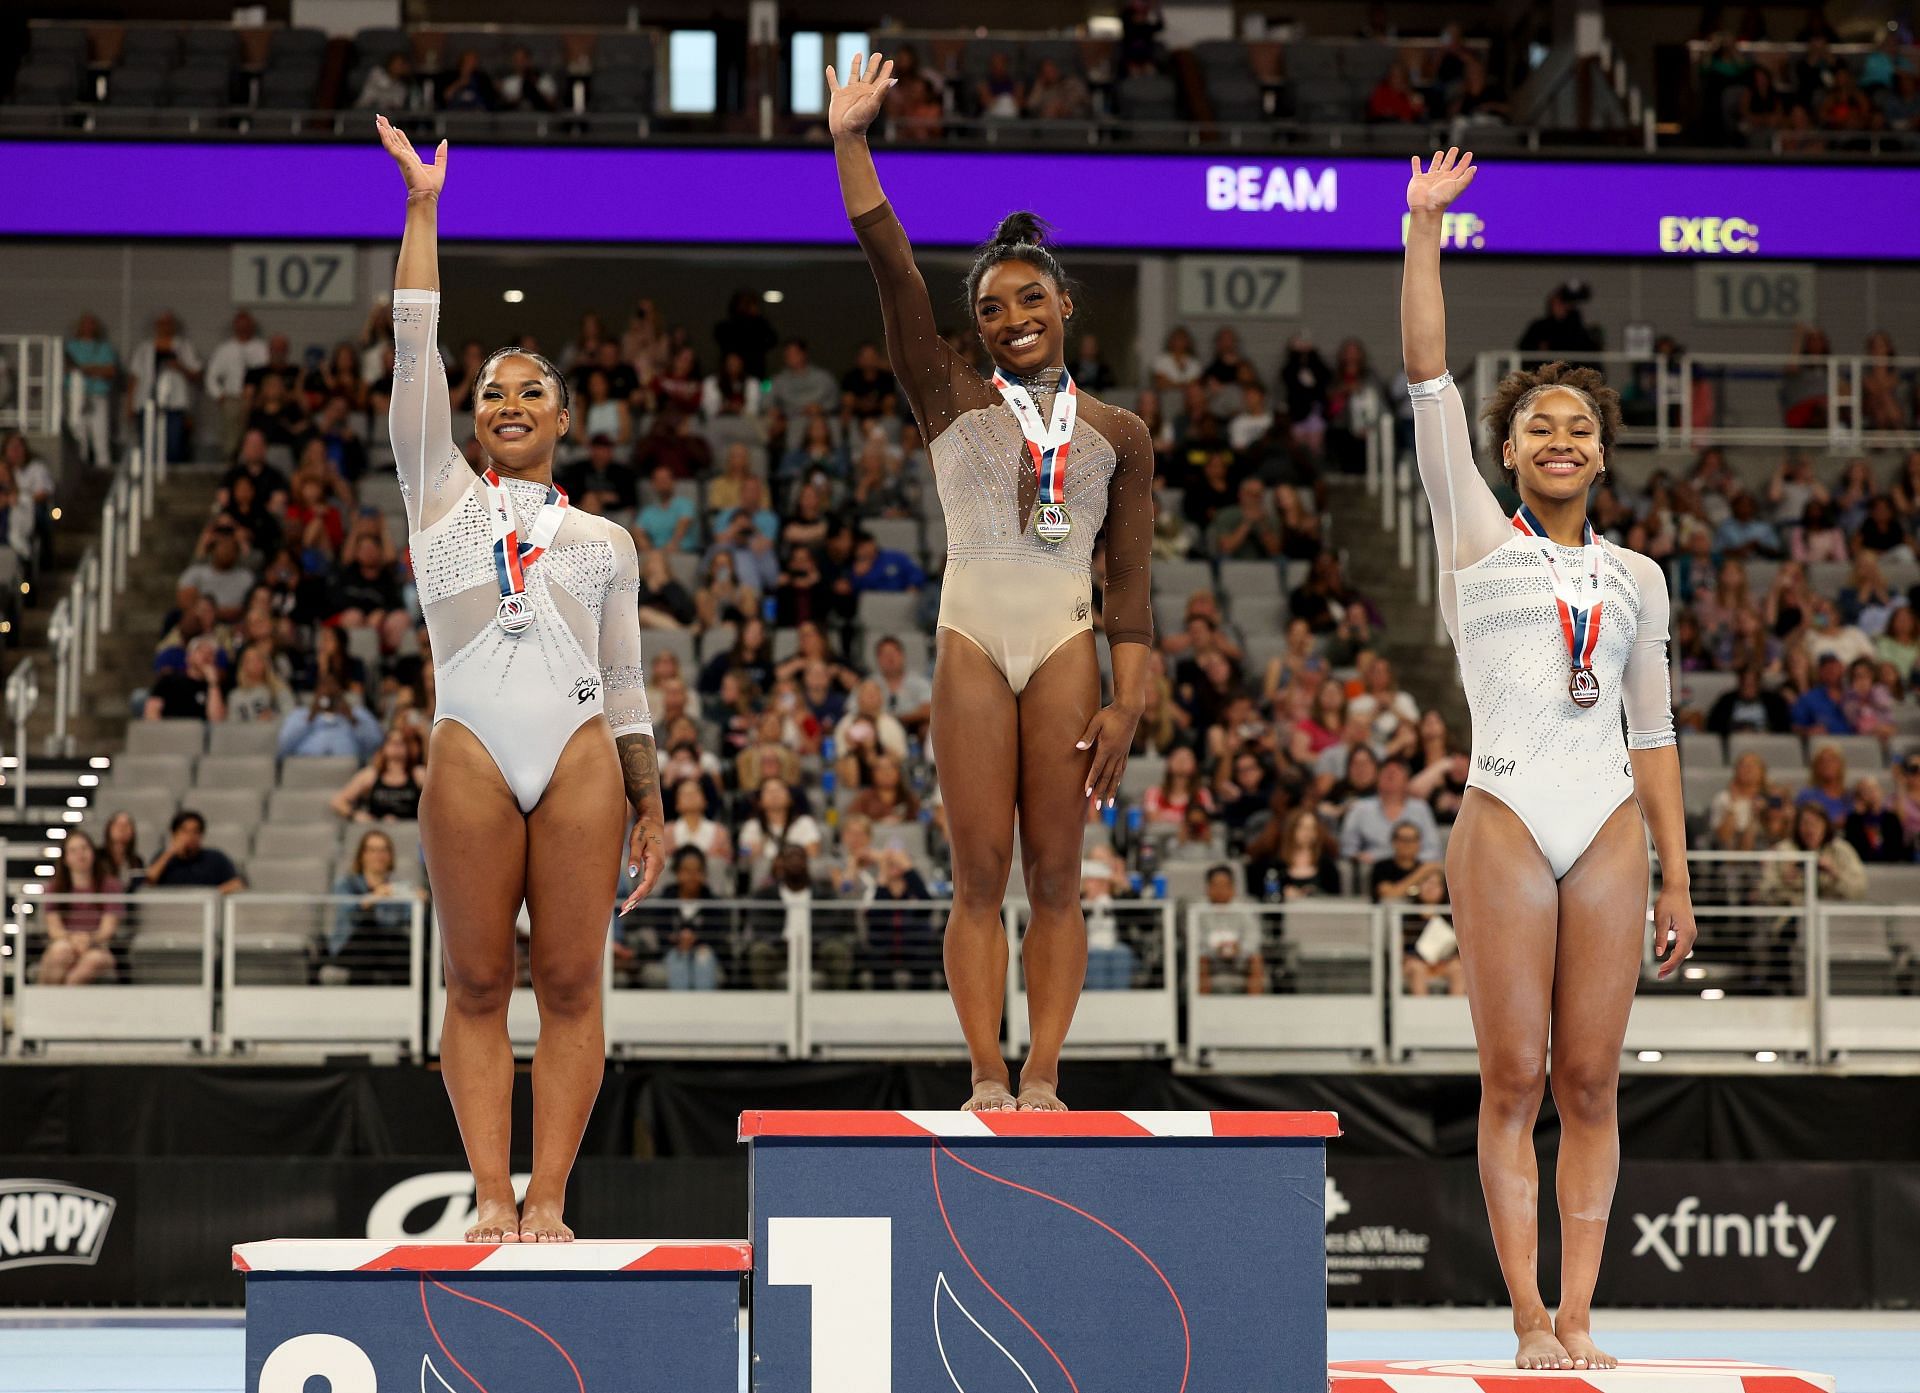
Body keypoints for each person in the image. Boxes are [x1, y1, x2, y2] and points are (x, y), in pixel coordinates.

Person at [1403, 149, 1693, 1373]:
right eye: (1538, 426)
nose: (1560, 439)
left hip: (1614, 820)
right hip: (1509, 808)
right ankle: (1524, 1313)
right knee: (1513, 1076)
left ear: (1601, 454)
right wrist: (1424, 229)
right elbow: (1426, 375)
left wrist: (1679, 874)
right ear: (1510, 452)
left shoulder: (1638, 579)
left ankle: (1581, 1316)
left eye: (1579, 427)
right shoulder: (1472, 532)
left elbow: (1654, 732)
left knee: (1591, 1081)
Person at [831, 52, 1154, 1110]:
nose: (1010, 316)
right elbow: (892, 271)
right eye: (990, 307)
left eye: (1029, 297)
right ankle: (983, 1074)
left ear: (1065, 302)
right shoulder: (947, 394)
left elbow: (1134, 595)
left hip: (1065, 643)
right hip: (973, 637)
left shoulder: (1119, 434)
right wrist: (852, 143)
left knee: (1057, 878)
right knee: (979, 877)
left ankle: (1046, 1076)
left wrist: (1130, 699)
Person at [376, 117, 667, 1244]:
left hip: (587, 753)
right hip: (471, 748)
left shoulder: (605, 541)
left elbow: (628, 681)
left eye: (530, 391)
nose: (508, 400)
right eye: (492, 388)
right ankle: (489, 1195)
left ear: (561, 418)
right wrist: (422, 210)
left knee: (575, 988)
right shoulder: (438, 494)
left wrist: (649, 795)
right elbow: (413, 349)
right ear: (473, 415)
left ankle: (550, 1196)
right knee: (479, 983)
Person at [326, 829, 421, 985]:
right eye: (373, 850)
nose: (379, 855)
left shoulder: (399, 887)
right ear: (362, 855)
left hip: (388, 946)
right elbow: (348, 910)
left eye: (384, 850)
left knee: (405, 948)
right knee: (368, 944)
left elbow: (407, 918)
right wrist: (376, 896)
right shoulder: (345, 883)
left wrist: (418, 901)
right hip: (353, 945)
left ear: (390, 856)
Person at [35, 831, 124, 986]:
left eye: (84, 848)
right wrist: (73, 940)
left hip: (98, 946)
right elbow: (54, 929)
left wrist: (88, 940)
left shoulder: (110, 886)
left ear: (93, 853)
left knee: (92, 960)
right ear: (65, 859)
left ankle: (61, 1002)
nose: (80, 854)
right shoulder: (54, 888)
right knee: (61, 952)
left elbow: (107, 929)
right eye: (73, 850)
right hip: (65, 942)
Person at [330, 727, 427, 822]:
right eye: (392, 742)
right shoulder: (370, 775)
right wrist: (356, 815)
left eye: (401, 742)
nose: (396, 746)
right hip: (378, 830)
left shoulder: (418, 774)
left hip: (411, 831)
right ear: (383, 747)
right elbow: (338, 802)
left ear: (408, 747)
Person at [145, 810, 245, 894]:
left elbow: (237, 884)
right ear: (174, 834)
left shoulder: (216, 858)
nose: (190, 837)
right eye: (185, 831)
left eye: (195, 832)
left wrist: (209, 895)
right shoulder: (162, 858)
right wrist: (170, 852)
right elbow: (148, 881)